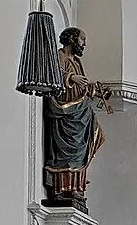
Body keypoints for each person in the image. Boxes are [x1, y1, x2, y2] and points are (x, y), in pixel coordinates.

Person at [42, 28, 111, 208]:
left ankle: (76, 186)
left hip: (81, 112)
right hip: (65, 114)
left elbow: (81, 87)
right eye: (83, 39)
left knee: (95, 138)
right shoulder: (60, 56)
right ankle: (63, 188)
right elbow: (54, 76)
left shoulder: (77, 61)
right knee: (68, 151)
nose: (84, 44)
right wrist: (71, 77)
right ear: (72, 39)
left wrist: (94, 90)